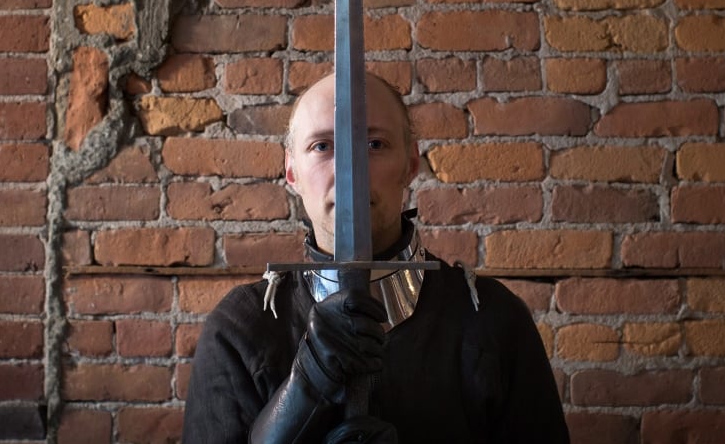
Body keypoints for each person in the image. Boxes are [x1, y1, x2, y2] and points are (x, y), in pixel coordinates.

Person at [181, 72, 570, 443]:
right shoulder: (240, 327)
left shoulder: (493, 320)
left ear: (411, 164)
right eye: (322, 146)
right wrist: (304, 391)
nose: (350, 172)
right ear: (292, 171)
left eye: (375, 144)